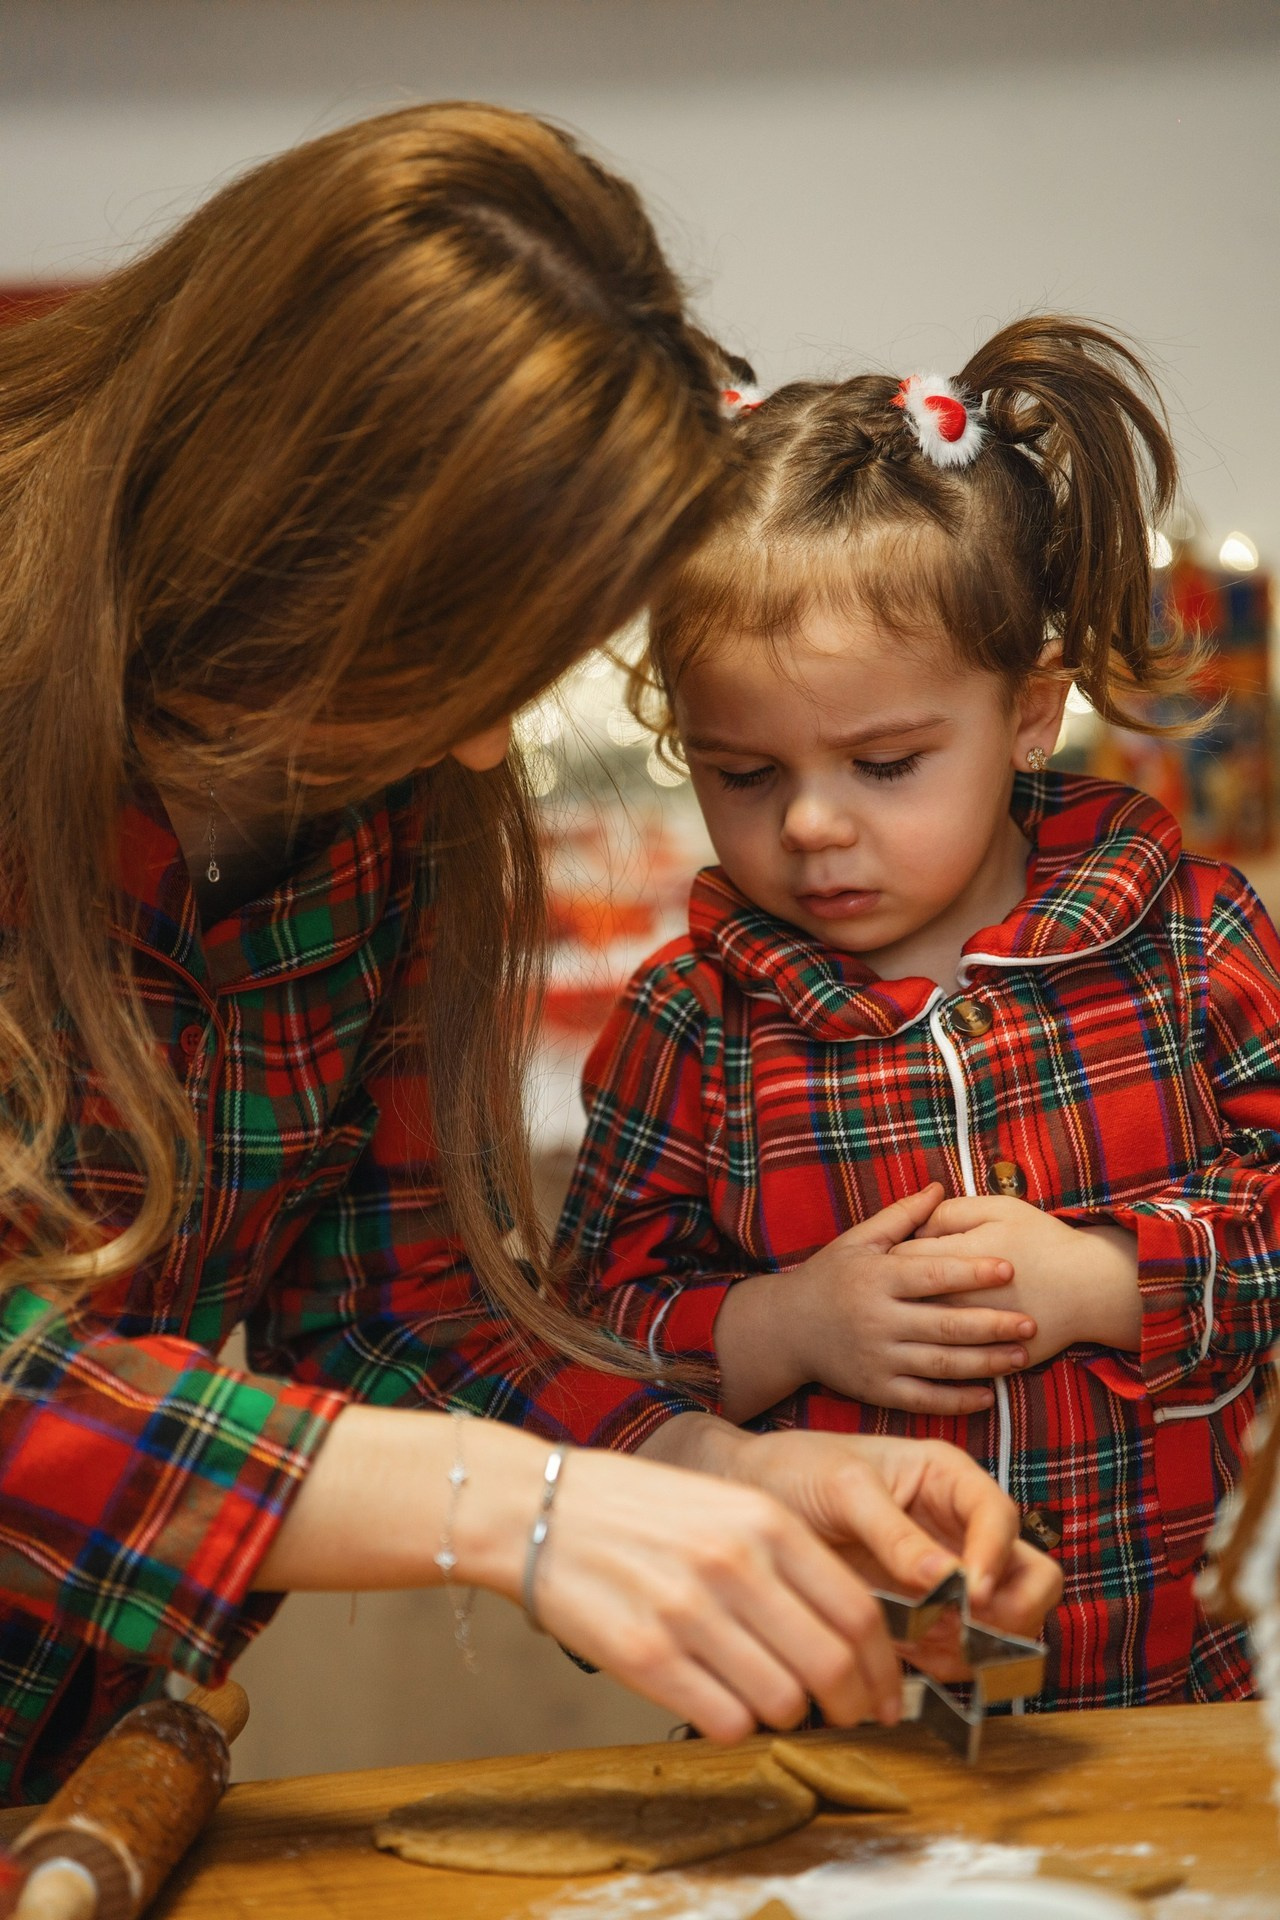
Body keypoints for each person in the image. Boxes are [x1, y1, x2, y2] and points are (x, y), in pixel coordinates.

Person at [0, 106, 1058, 1803]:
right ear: (274, 535)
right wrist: (524, 1513)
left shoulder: (385, 790)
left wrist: (712, 1469)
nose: (485, 755)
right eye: (444, 660)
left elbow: (393, 1311)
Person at [560, 314, 1280, 1712]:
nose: (813, 826)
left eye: (884, 763)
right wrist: (788, 1325)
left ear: (1029, 712)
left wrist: (1108, 1282)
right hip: (826, 1728)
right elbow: (577, 1350)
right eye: (742, 773)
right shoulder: (691, 1026)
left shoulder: (1192, 944)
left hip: (1184, 1704)